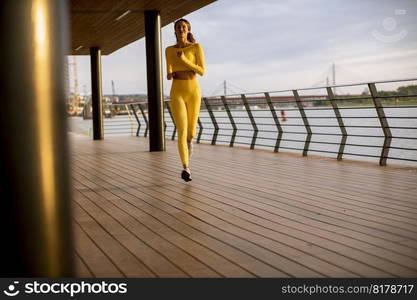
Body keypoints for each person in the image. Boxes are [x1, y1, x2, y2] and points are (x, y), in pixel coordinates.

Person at [165, 19, 205, 182]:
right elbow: (168, 70)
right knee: (181, 130)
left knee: (191, 132)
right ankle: (186, 168)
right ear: (175, 31)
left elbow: (201, 71)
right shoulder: (168, 50)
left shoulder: (196, 47)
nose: (181, 29)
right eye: (178, 27)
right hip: (177, 90)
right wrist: (169, 74)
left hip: (193, 90)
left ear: (188, 30)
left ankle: (190, 140)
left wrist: (185, 60)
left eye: (184, 27)